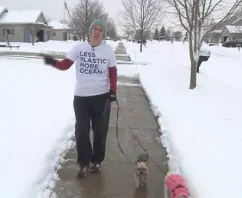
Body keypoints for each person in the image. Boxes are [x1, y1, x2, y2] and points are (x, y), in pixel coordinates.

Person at [42, 19, 117, 177]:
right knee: (81, 132)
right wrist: (52, 62)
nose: (97, 32)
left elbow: (112, 72)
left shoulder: (108, 50)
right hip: (82, 98)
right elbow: (65, 65)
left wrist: (112, 91)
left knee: (100, 132)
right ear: (90, 31)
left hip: (102, 98)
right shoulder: (79, 48)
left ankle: (97, 161)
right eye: (94, 29)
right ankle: (84, 163)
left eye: (100, 30)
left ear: (103, 34)